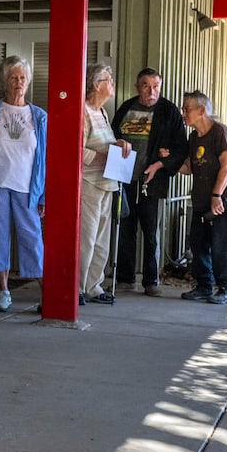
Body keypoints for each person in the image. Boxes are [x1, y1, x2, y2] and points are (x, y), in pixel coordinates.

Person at [0, 56, 46, 312]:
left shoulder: (38, 117)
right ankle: (3, 291)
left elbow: (45, 157)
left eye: (22, 78)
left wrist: (43, 196)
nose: (18, 82)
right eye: (13, 78)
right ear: (5, 81)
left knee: (32, 238)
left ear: (28, 82)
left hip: (27, 187)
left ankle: (45, 291)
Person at [112, 68, 188, 296]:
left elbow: (181, 147)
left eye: (156, 86)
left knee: (150, 231)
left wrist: (160, 165)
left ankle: (151, 280)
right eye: (146, 85)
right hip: (124, 178)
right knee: (125, 227)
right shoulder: (126, 108)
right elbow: (111, 136)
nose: (151, 90)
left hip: (151, 179)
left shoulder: (168, 111)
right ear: (138, 87)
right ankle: (125, 278)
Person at [177, 91, 227, 304]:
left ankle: (225, 288)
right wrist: (169, 161)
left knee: (221, 244)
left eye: (187, 109)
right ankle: (204, 285)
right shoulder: (194, 137)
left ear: (202, 110)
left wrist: (217, 195)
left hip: (223, 198)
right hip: (201, 198)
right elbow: (189, 168)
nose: (183, 113)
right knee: (198, 242)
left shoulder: (220, 133)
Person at [79, 63, 130, 305]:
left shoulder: (103, 112)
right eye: (108, 80)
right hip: (89, 181)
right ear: (96, 84)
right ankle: (77, 287)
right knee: (86, 238)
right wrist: (106, 156)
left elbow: (104, 143)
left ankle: (94, 285)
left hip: (108, 182)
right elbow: (78, 150)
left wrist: (118, 144)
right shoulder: (83, 111)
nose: (112, 84)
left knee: (101, 240)